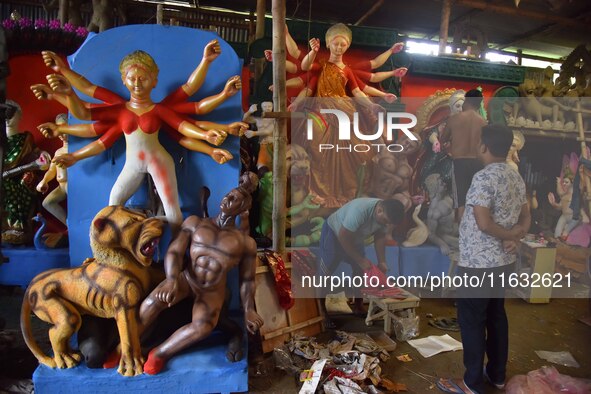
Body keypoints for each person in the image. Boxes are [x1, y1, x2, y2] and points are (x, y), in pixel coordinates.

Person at [33, 41, 245, 234]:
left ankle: (173, 255)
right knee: (113, 203)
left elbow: (185, 125)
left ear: (154, 80)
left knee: (173, 214)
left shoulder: (158, 110)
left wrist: (206, 134)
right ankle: (117, 246)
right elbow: (87, 115)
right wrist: (64, 79)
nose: (137, 83)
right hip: (132, 165)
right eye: (131, 78)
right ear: (123, 80)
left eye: (143, 78)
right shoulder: (119, 110)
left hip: (159, 162)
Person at [437, 125, 530, 394]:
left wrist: (510, 233)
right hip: (503, 263)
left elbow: (484, 223)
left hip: (478, 265)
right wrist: (517, 234)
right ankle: (497, 376)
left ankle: (472, 383)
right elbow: (526, 217)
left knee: (472, 320)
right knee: (496, 317)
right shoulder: (516, 177)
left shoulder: (483, 177)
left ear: (484, 147)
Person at [138, 180, 264, 375]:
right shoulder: (195, 223)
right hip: (187, 279)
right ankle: (127, 347)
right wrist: (171, 279)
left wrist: (249, 309)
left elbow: (247, 280)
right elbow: (174, 252)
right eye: (227, 195)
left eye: (234, 199)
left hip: (212, 291)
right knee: (151, 302)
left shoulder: (246, 243)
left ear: (243, 208)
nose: (226, 199)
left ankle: (160, 353)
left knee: (204, 327)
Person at [318, 198, 405, 325]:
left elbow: (380, 237)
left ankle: (358, 306)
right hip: (335, 233)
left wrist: (382, 261)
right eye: (385, 221)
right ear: (379, 210)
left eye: (389, 223)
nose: (386, 224)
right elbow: (343, 236)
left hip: (354, 237)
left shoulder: (385, 213)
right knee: (325, 273)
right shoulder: (360, 211)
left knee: (360, 271)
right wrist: (359, 259)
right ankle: (321, 313)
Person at [440, 88, 487, 221]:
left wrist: (449, 147)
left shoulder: (454, 119)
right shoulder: (483, 122)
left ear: (466, 101)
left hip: (460, 163)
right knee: (475, 200)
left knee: (461, 201)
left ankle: (462, 236)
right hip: (478, 163)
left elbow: (442, 141)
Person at [36, 113, 69, 226]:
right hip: (61, 187)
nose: (60, 133)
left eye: (64, 129)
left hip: (72, 186)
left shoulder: (76, 151)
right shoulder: (58, 152)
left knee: (76, 204)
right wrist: (44, 181)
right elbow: (51, 171)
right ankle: (68, 225)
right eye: (58, 129)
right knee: (48, 203)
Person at [243, 101, 275, 170]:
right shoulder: (259, 120)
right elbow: (244, 119)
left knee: (273, 164)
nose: (267, 108)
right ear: (262, 108)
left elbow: (268, 131)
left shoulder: (274, 119)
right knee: (261, 165)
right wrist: (249, 111)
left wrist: (254, 133)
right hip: (263, 144)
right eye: (265, 107)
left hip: (273, 144)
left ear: (272, 107)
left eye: (269, 106)